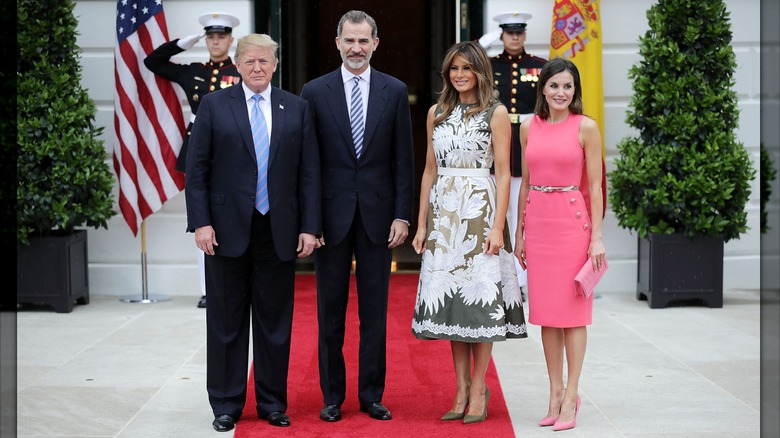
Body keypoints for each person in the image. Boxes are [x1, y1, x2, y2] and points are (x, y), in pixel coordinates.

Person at [185, 33, 321, 432]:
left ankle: (272, 403)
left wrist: (310, 227)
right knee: (225, 322)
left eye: (264, 61)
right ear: (237, 66)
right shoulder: (213, 106)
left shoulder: (296, 108)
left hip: (277, 230)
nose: (257, 68)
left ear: (275, 65)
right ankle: (226, 404)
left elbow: (309, 173)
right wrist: (202, 222)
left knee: (274, 324)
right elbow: (197, 173)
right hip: (225, 231)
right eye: (250, 62)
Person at [299, 10, 415, 423]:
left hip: (378, 219)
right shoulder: (314, 91)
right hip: (330, 222)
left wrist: (403, 215)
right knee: (329, 312)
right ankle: (332, 396)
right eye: (349, 40)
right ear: (337, 42)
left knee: (374, 313)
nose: (356, 48)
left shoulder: (395, 90)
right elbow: (309, 165)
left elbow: (404, 159)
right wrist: (309, 224)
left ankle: (371, 394)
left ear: (376, 44)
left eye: (364, 41)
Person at [411, 41, 527, 425]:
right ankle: (459, 388)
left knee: (481, 303)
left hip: (481, 211)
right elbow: (429, 170)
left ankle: (479, 386)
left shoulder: (496, 112)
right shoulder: (436, 113)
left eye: (467, 68)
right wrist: (423, 222)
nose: (460, 75)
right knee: (453, 306)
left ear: (480, 71)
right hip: (444, 216)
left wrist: (498, 227)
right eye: (453, 69)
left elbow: (505, 173)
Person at [515, 57, 606, 431]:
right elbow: (525, 180)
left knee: (572, 315)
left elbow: (597, 188)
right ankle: (554, 392)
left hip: (573, 225)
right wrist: (519, 232)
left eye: (567, 86)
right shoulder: (527, 127)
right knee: (547, 316)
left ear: (575, 91)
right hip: (538, 224)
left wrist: (596, 237)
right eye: (554, 85)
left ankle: (572, 393)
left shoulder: (586, 127)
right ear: (543, 89)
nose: (560, 92)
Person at [144, 12, 242, 309]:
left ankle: (236, 283)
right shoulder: (194, 71)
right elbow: (153, 63)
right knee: (202, 220)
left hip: (231, 154)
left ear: (230, 39)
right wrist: (181, 44)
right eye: (210, 36)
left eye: (221, 36)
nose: (215, 41)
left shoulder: (240, 73)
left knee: (234, 217)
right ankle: (207, 289)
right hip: (199, 152)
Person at [479, 11, 547, 301]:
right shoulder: (489, 65)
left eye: (519, 32)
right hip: (497, 144)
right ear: (502, 35)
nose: (514, 37)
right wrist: (484, 43)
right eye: (509, 33)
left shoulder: (539, 66)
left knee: (523, 215)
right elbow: (464, 61)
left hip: (528, 144)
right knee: (496, 214)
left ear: (525, 35)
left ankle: (521, 279)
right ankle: (496, 274)